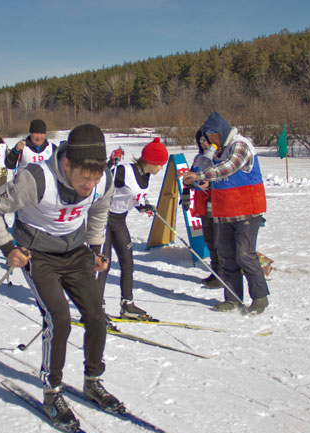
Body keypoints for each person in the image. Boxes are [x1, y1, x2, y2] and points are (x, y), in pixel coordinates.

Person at [0, 124, 120, 431]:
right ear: (67, 163)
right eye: (84, 176)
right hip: (37, 254)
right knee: (59, 319)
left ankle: (93, 381)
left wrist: (96, 248)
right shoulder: (36, 179)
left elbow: (100, 210)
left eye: (95, 176)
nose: (90, 184)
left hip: (75, 250)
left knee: (97, 316)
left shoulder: (103, 179)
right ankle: (52, 391)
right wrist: (7, 248)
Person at [182, 112, 269, 314]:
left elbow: (228, 168)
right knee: (226, 256)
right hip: (224, 212)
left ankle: (260, 298)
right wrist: (200, 181)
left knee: (244, 255)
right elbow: (215, 177)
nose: (210, 142)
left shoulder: (240, 145)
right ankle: (232, 299)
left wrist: (202, 174)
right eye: (207, 138)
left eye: (213, 136)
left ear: (221, 133)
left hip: (246, 211)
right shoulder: (217, 152)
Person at [97, 138, 168, 319]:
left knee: (128, 262)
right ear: (150, 161)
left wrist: (142, 206)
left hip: (120, 221)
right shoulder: (123, 171)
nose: (161, 169)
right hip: (104, 219)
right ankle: (97, 308)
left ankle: (127, 305)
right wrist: (110, 162)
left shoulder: (146, 176)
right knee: (103, 264)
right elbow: (100, 179)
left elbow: (133, 197)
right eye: (159, 164)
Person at [183, 129, 222, 288]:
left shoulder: (220, 158)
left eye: (205, 140)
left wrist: (211, 184)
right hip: (202, 204)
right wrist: (187, 186)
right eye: (200, 141)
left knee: (220, 241)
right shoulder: (198, 158)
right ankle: (216, 273)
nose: (203, 143)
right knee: (209, 240)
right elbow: (191, 176)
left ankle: (224, 275)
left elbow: (225, 178)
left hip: (218, 204)